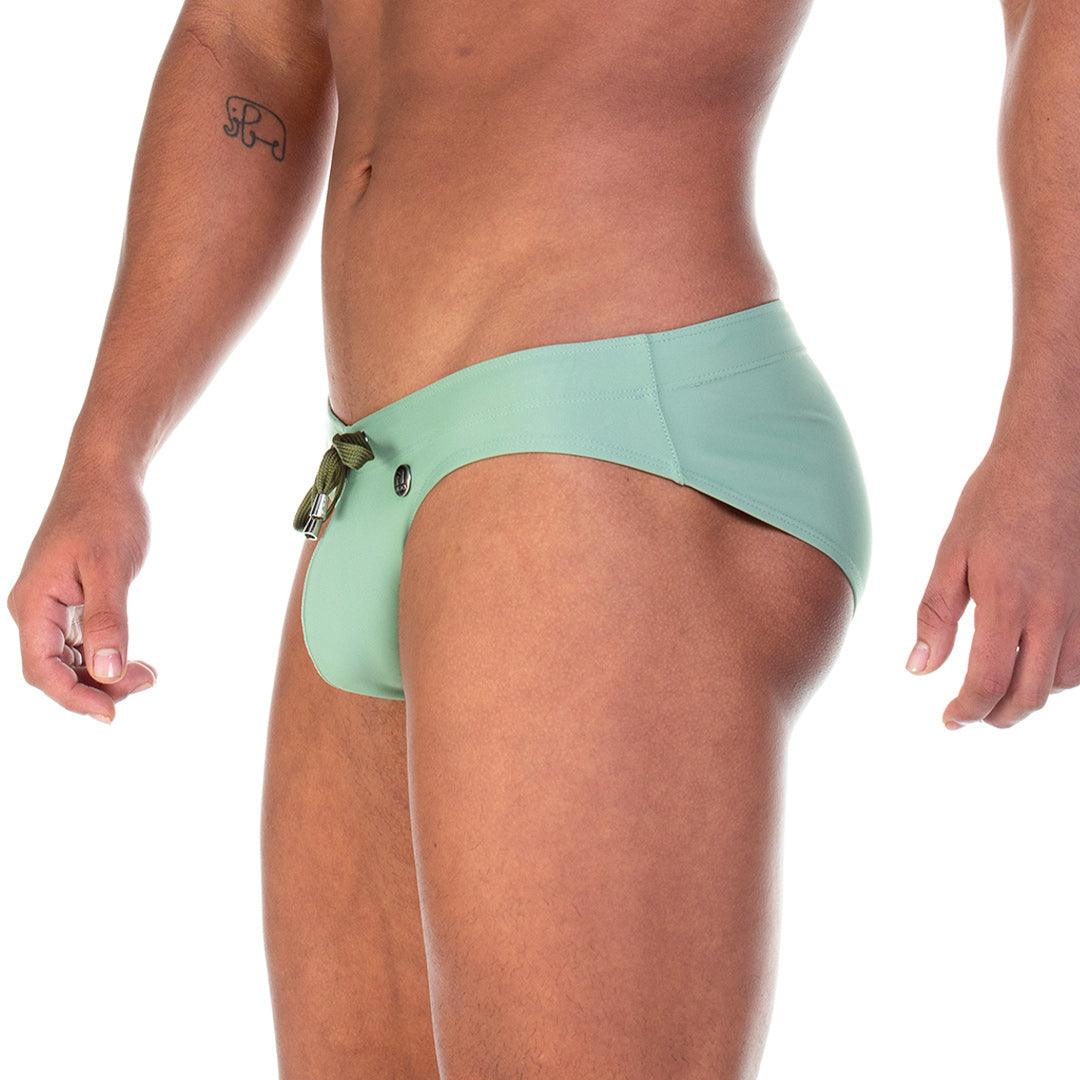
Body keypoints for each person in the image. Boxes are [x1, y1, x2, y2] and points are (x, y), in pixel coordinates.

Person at [8, 0, 1079, 1076]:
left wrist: (1050, 439)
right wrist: (107, 451)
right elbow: (249, 42)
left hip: (602, 432)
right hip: (369, 471)